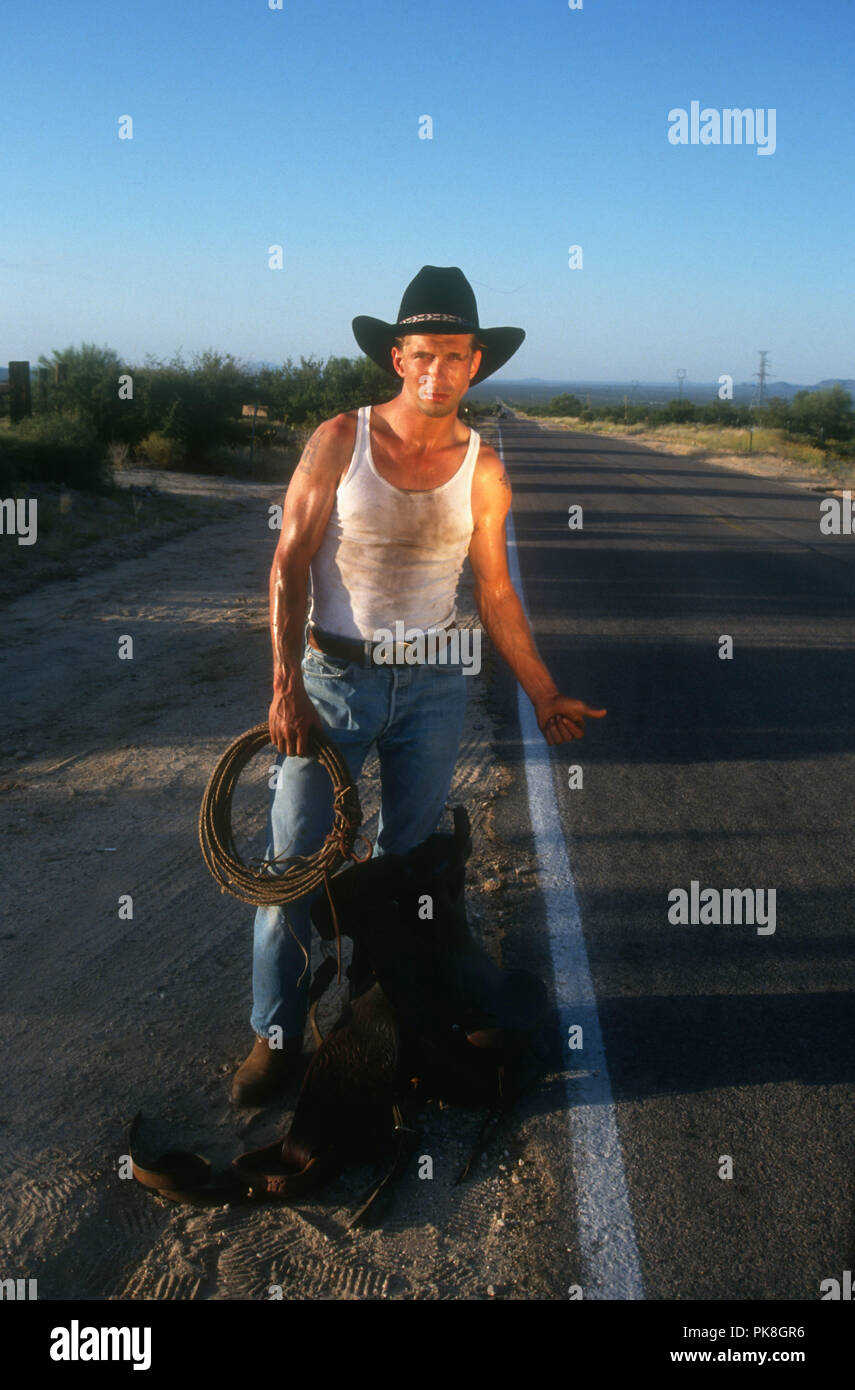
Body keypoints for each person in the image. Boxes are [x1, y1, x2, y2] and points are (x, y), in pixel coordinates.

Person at [232, 265, 606, 1105]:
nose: (438, 371)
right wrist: (284, 683)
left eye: (455, 356)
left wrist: (543, 691)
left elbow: (497, 592)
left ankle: (385, 1013)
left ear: (476, 364)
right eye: (423, 354)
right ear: (397, 358)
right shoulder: (340, 438)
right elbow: (289, 561)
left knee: (409, 869)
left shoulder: (483, 469)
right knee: (292, 866)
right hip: (333, 682)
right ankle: (277, 1036)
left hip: (433, 686)